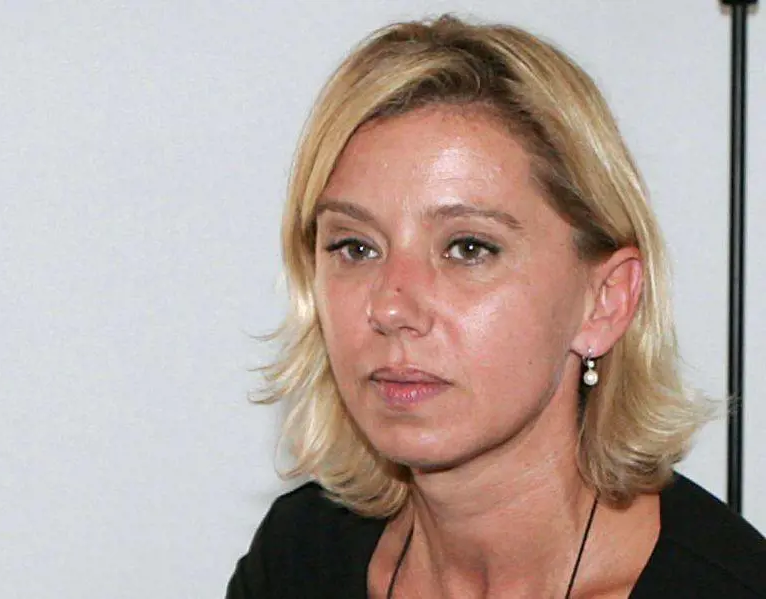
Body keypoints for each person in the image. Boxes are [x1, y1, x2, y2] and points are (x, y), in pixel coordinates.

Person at [227, 14, 766, 599]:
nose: (390, 307)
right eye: (355, 247)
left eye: (468, 248)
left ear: (605, 301)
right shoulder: (300, 555)